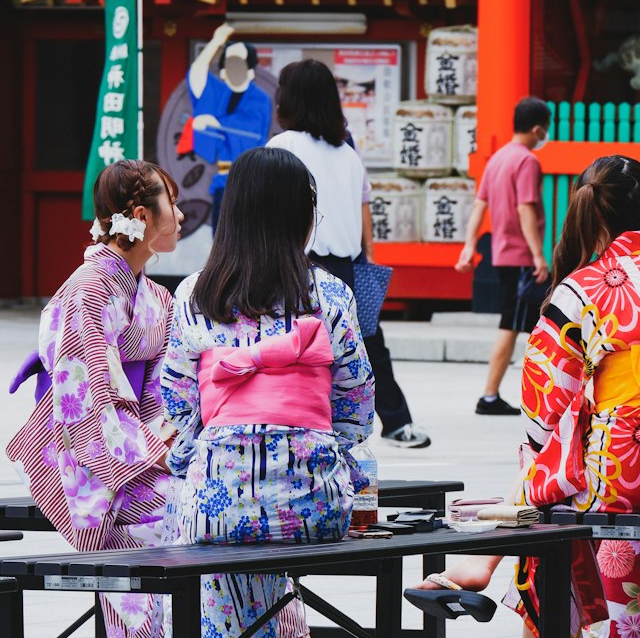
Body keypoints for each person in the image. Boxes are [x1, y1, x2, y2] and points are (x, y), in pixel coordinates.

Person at [418, 156, 640, 638]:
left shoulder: (581, 288)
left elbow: (544, 408)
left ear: (592, 218)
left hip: (632, 475)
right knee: (566, 463)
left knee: (553, 477)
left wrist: (541, 463)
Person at [6, 160, 231, 638]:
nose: (179, 215)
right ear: (139, 216)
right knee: (184, 518)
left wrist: (171, 450)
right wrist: (141, 463)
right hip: (78, 452)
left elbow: (160, 394)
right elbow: (82, 403)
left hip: (134, 446)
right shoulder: (87, 291)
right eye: (171, 204)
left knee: (214, 506)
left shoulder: (152, 295)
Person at [160, 146, 376, 638]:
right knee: (254, 514)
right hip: (314, 501)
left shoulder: (193, 294)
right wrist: (328, 456)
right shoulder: (329, 293)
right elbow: (357, 400)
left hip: (220, 498)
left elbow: (176, 403)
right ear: (300, 217)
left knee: (204, 513)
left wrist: (206, 458)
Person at [267, 58, 431, 449]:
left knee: (299, 346)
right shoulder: (348, 152)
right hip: (349, 266)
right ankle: (396, 422)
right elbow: (363, 208)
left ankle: (303, 419)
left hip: (298, 265)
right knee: (367, 344)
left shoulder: (282, 146)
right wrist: (369, 258)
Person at [456, 96, 552, 416]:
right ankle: (490, 395)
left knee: (520, 323)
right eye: (545, 130)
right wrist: (538, 255)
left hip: (502, 253)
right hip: (520, 256)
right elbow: (525, 208)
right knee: (514, 325)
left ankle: (497, 394)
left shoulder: (497, 159)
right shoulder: (526, 161)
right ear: (538, 129)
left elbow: (479, 205)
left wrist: (469, 245)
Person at [185, 23, 272, 228]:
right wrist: (216, 42)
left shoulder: (259, 99)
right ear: (223, 71)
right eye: (230, 62)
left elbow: (250, 126)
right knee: (222, 241)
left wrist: (213, 122)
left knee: (253, 240)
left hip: (254, 181)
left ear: (251, 71)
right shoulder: (219, 94)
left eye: (239, 63)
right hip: (224, 182)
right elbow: (197, 77)